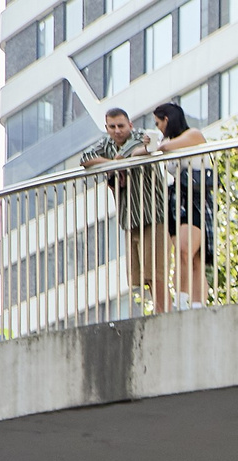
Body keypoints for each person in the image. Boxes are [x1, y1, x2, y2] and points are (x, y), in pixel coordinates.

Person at [78, 108, 167, 314]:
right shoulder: (107, 144)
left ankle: (164, 312)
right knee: (142, 274)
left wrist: (117, 163)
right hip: (130, 216)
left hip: (153, 212)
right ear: (107, 127)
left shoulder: (139, 136)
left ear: (130, 125)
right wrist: (113, 164)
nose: (117, 131)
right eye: (112, 126)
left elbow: (134, 150)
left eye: (121, 126)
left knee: (156, 270)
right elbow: (85, 158)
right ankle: (158, 310)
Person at [147, 102, 209, 309]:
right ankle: (185, 300)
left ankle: (191, 301)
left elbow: (164, 147)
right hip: (176, 199)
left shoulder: (193, 134)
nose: (158, 128)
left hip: (197, 197)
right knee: (184, 254)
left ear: (167, 119)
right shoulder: (171, 141)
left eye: (158, 123)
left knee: (189, 252)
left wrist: (157, 145)